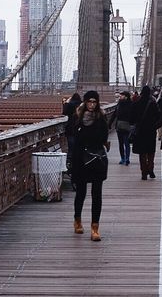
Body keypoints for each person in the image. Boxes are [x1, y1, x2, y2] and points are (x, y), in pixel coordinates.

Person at [65, 89, 109, 240]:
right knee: (81, 193)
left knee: (97, 195)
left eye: (94, 102)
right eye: (89, 101)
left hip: (96, 159)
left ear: (97, 103)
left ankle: (95, 228)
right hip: (80, 160)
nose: (91, 104)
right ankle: (77, 220)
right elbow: (71, 136)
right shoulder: (77, 118)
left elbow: (104, 135)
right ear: (85, 102)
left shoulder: (101, 118)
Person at [132, 84, 162, 180]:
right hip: (151, 131)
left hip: (140, 131)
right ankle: (151, 169)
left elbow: (131, 118)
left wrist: (135, 124)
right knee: (150, 151)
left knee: (142, 152)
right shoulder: (153, 103)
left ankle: (144, 173)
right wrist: (155, 126)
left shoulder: (136, 103)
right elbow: (159, 116)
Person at [113, 89, 136, 165]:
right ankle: (124, 158)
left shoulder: (129, 104)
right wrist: (109, 123)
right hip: (121, 125)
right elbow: (114, 114)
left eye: (121, 95)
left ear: (126, 97)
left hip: (125, 126)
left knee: (125, 143)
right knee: (122, 143)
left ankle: (126, 159)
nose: (120, 97)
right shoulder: (121, 104)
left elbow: (133, 115)